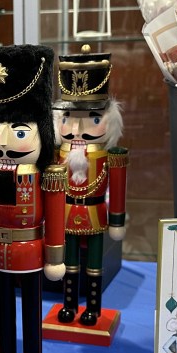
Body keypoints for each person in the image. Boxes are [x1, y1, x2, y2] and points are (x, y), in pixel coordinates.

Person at [0, 44, 66, 353]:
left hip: (30, 250)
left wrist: (54, 256)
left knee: (30, 315)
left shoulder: (46, 174)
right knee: (5, 314)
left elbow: (54, 215)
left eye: (20, 132)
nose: (4, 140)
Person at [53, 47, 129, 326]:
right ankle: (69, 304)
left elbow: (117, 188)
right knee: (69, 263)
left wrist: (117, 220)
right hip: (66, 213)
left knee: (94, 265)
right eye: (69, 118)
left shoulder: (111, 157)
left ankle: (93, 308)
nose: (77, 128)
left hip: (96, 213)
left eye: (93, 119)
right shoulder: (58, 154)